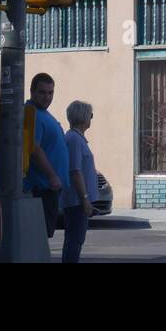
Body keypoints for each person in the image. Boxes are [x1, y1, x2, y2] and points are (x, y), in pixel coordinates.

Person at [25, 73, 69, 239]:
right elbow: (34, 148)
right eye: (42, 92)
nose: (47, 97)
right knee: (39, 235)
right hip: (42, 186)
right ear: (32, 92)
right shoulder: (32, 114)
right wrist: (52, 176)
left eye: (50, 93)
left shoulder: (43, 113)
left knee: (43, 235)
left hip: (50, 187)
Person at [61, 100, 98, 264]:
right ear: (83, 117)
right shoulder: (74, 139)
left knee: (74, 239)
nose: (91, 118)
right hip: (76, 200)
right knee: (75, 240)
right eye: (90, 115)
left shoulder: (77, 138)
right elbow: (75, 171)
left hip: (78, 199)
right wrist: (85, 199)